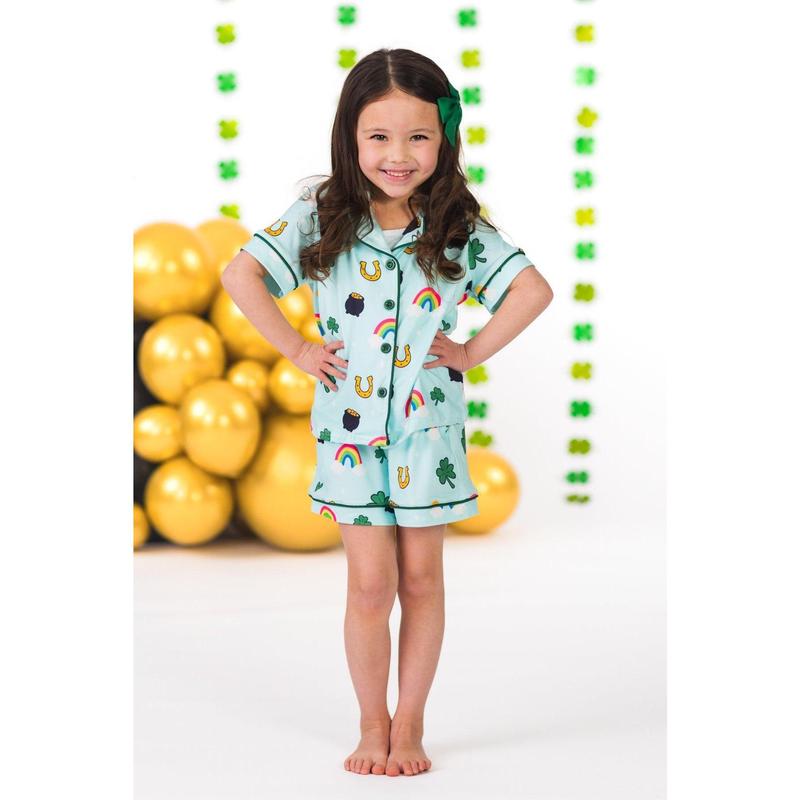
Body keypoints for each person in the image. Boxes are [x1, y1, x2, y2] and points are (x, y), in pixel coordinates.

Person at [221, 47, 554, 777]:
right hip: (349, 435)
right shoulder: (322, 215)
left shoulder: (456, 224)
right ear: (351, 136)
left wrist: (468, 352)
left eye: (418, 137)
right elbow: (241, 272)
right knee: (371, 587)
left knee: (422, 582)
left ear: (443, 140)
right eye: (379, 136)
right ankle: (372, 722)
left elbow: (532, 290)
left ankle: (411, 724)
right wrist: (298, 349)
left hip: (427, 436)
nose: (398, 156)